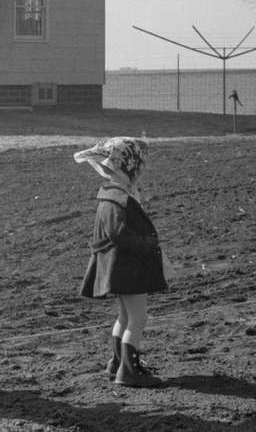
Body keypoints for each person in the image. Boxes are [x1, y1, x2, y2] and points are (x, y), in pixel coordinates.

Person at [75, 137, 167, 388]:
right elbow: (119, 233)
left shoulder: (110, 193)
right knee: (138, 318)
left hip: (118, 267)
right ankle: (128, 371)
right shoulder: (119, 197)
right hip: (127, 268)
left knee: (125, 316)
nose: (142, 169)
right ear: (128, 166)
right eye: (139, 165)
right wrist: (146, 244)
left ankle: (117, 363)